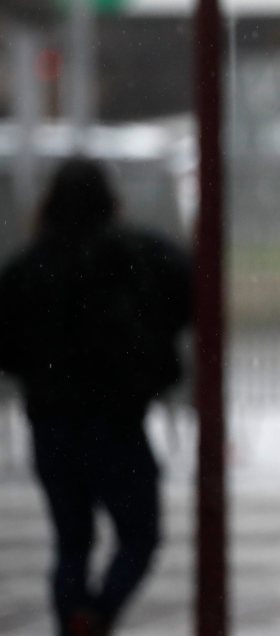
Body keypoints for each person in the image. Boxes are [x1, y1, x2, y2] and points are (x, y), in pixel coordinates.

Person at [0, 158, 192, 636]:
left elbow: (6, 344)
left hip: (51, 426)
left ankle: (75, 621)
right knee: (140, 536)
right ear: (110, 201)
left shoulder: (28, 267)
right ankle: (99, 615)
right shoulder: (138, 256)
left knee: (71, 543)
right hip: (118, 424)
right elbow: (186, 291)